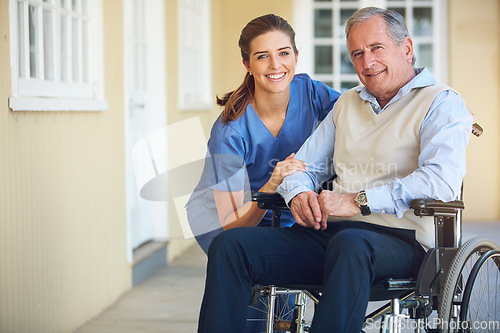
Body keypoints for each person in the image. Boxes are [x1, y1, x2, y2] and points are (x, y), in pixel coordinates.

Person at [197, 7, 473, 333]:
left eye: (376, 48)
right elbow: (303, 165)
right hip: (330, 234)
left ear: (407, 49)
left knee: (351, 245)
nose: (366, 62)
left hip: (403, 241)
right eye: (357, 53)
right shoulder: (346, 104)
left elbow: (440, 181)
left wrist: (359, 201)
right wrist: (298, 192)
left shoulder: (441, 102)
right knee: (231, 247)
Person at [185, 13, 340, 332]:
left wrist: (431, 109)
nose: (275, 65)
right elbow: (232, 226)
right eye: (262, 56)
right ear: (247, 64)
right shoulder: (230, 131)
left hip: (286, 208)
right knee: (254, 309)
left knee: (284, 311)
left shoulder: (311, 92)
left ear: (296, 56)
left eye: (284, 53)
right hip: (227, 215)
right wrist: (271, 185)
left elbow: (362, 115)